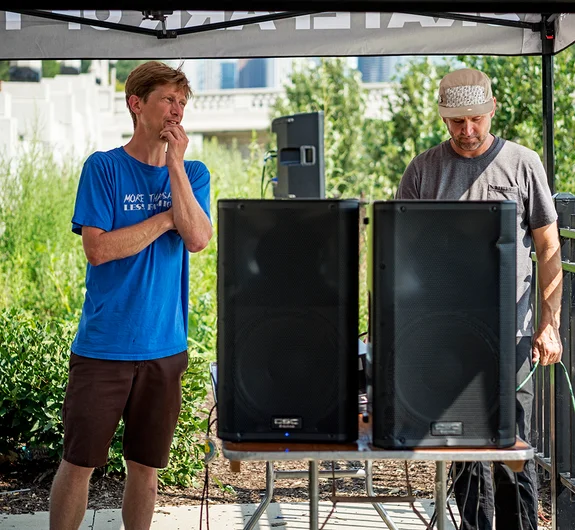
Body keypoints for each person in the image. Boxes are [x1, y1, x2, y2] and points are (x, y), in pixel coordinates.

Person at [396, 68, 563, 530]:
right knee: (463, 453)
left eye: (474, 120)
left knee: (512, 450)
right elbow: (402, 254)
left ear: (492, 109)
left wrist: (549, 325)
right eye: (455, 123)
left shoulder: (523, 163)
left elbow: (549, 248)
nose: (466, 132)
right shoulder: (422, 171)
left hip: (511, 334)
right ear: (442, 118)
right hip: (446, 336)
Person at [49, 61, 213, 530]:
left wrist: (176, 167)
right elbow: (99, 249)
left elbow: (198, 238)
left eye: (182, 102)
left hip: (165, 347)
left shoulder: (194, 173)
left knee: (146, 467)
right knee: (79, 463)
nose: (176, 111)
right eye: (167, 99)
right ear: (136, 104)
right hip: (103, 348)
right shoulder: (104, 168)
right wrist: (166, 220)